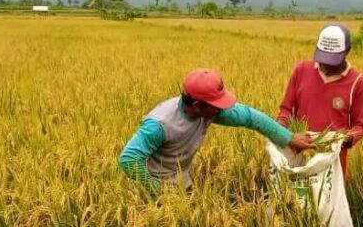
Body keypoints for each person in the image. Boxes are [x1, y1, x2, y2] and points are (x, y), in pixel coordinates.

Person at [119, 68, 313, 193]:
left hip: (181, 183)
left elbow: (251, 118)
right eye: (216, 104)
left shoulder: (209, 112)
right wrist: (156, 191)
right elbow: (128, 158)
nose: (222, 108)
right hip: (151, 188)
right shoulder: (160, 124)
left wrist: (288, 138)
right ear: (197, 105)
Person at [276, 24, 363, 178]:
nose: (325, 65)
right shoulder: (301, 70)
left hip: (333, 163)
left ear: (347, 51)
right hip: (299, 157)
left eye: (332, 60)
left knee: (328, 201)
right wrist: (279, 130)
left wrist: (344, 138)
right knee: (296, 198)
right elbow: (286, 110)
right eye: (322, 58)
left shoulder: (358, 83)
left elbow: (359, 126)